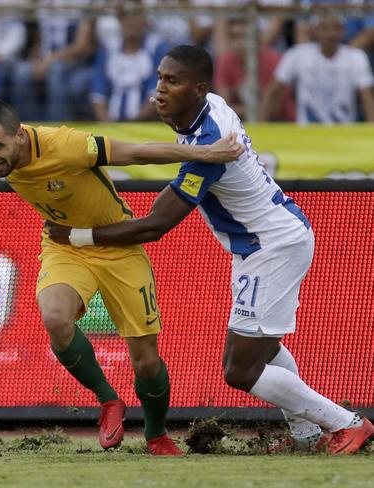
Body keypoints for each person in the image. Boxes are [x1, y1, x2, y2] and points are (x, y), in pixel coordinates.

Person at [47, 44, 374, 455]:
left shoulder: (210, 142)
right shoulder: (207, 111)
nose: (161, 89)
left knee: (240, 370)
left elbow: (155, 226)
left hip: (272, 246)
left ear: (199, 88)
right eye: (161, 79)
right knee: (266, 347)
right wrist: (170, 114)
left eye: (173, 81)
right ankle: (308, 435)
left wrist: (77, 236)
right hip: (264, 243)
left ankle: (348, 423)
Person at [0, 97, 243, 455]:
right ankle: (109, 401)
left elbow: (137, 153)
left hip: (117, 244)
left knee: (146, 359)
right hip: (64, 245)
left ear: (19, 136)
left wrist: (209, 153)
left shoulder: (67, 146)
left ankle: (156, 435)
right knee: (55, 318)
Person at [262, 15, 374, 124]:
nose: (330, 34)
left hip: (344, 133)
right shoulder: (298, 54)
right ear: (315, 30)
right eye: (324, 28)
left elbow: (368, 101)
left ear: (343, 30)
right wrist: (260, 127)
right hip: (307, 134)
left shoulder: (356, 57)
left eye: (335, 28)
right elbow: (273, 94)